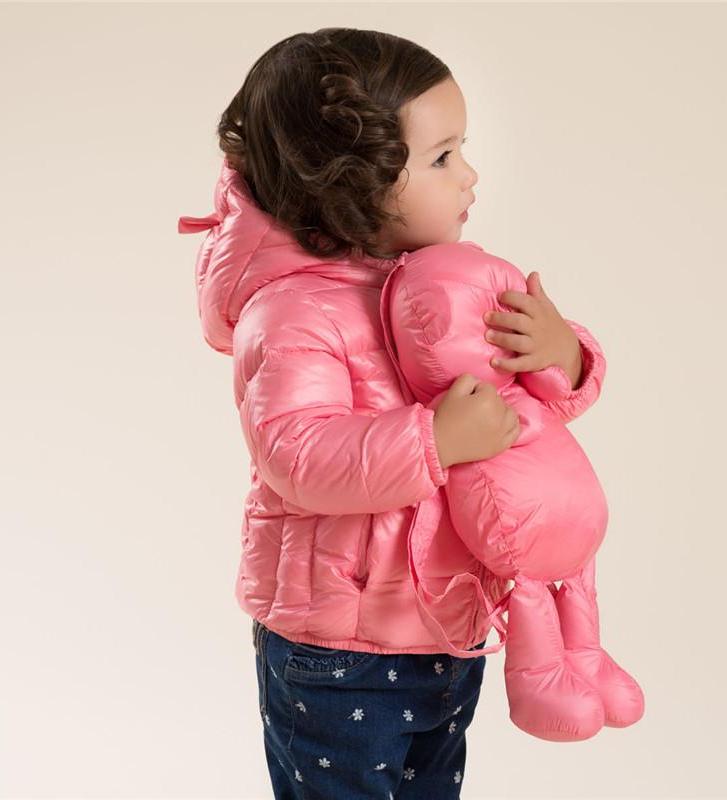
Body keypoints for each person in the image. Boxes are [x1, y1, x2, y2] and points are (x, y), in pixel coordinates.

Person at [178, 27, 605, 799]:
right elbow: (299, 455)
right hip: (339, 650)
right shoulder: (292, 312)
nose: (469, 175)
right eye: (442, 158)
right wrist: (435, 439)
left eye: (461, 149)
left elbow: (522, 402)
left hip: (446, 628)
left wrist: (563, 355)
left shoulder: (448, 280)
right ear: (350, 183)